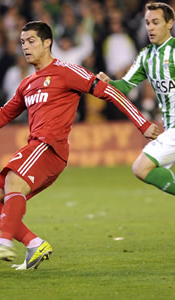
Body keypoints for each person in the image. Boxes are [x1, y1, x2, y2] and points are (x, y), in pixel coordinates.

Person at [0, 21, 159, 271]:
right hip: (36, 148)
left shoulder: (67, 71)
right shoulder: (27, 84)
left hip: (50, 148)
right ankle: (34, 244)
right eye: (22, 43)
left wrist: (143, 124)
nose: (26, 47)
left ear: (47, 43)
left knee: (12, 179)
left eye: (31, 41)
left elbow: (109, 92)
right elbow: (4, 114)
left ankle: (3, 243)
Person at [97, 2, 175, 195]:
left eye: (156, 22)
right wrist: (109, 82)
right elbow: (125, 86)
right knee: (144, 170)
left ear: (169, 23)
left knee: (141, 168)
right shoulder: (146, 55)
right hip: (169, 127)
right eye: (147, 23)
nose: (150, 27)